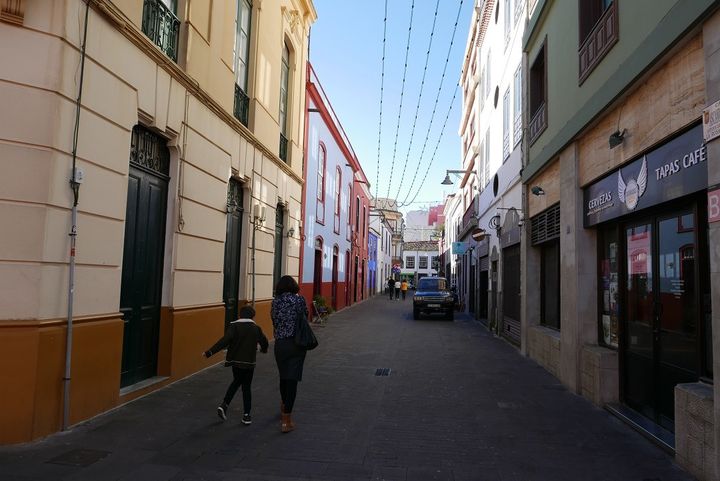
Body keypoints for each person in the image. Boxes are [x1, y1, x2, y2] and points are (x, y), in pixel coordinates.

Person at [204, 305, 269, 425]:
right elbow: (264, 341)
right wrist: (264, 349)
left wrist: (210, 352)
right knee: (246, 387)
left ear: (240, 315)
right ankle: (246, 415)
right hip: (249, 363)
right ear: (253, 316)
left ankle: (224, 405)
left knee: (236, 382)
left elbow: (224, 340)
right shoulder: (256, 328)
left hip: (236, 362)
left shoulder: (234, 326)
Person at [272, 275, 310, 433]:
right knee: (292, 379)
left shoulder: (275, 301)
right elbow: (305, 316)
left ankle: (283, 405)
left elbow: (274, 320)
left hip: (280, 344)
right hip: (296, 343)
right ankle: (286, 420)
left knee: (283, 376)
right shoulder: (299, 300)